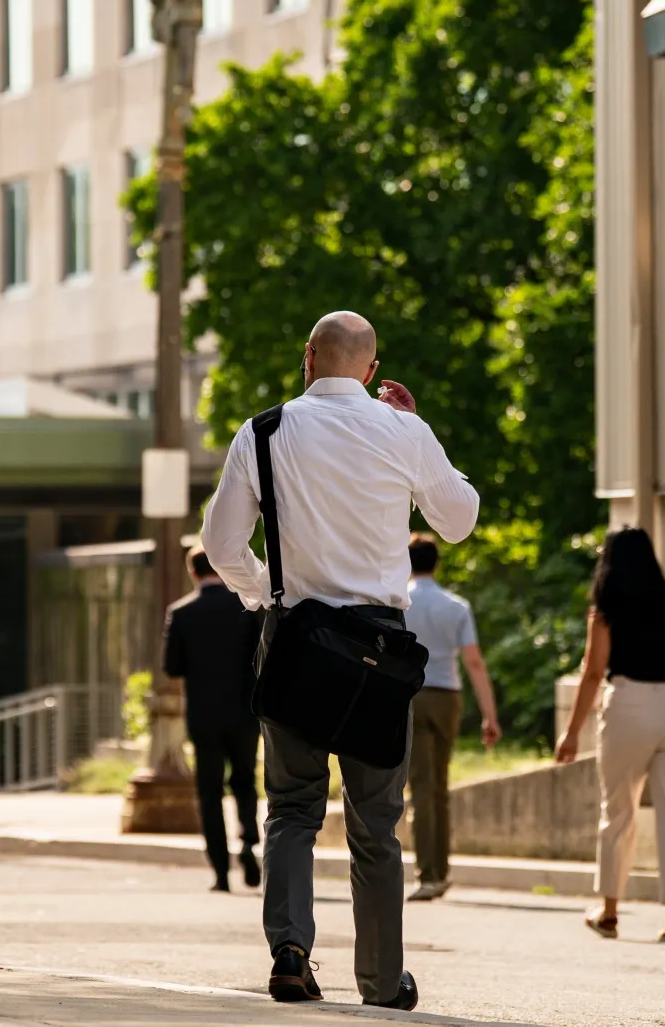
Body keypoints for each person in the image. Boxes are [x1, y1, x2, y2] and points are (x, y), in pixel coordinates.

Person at [201, 311, 478, 1011]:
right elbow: (459, 517)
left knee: (292, 806)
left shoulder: (263, 431)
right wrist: (421, 430)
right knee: (375, 821)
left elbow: (220, 541)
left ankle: (290, 949)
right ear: (372, 370)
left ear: (308, 357)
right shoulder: (402, 430)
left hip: (296, 638)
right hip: (379, 651)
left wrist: (269, 591)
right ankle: (383, 981)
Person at [555, 528, 665, 945]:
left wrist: (571, 732)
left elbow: (594, 672)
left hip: (629, 707)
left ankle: (610, 911)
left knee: (618, 811)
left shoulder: (606, 610)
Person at [401, 533, 501, 901]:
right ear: (437, 563)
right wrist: (489, 715)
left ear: (407, 562)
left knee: (421, 787)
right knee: (439, 787)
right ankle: (440, 870)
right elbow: (473, 662)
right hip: (447, 697)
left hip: (408, 696)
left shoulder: (398, 602)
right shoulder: (456, 606)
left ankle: (428, 874)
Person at [163, 547, 265, 893]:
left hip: (204, 715)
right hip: (244, 712)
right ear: (221, 569)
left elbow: (173, 667)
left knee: (209, 791)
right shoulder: (247, 609)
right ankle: (250, 842)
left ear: (192, 573)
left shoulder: (181, 612)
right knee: (245, 781)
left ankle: (221, 871)